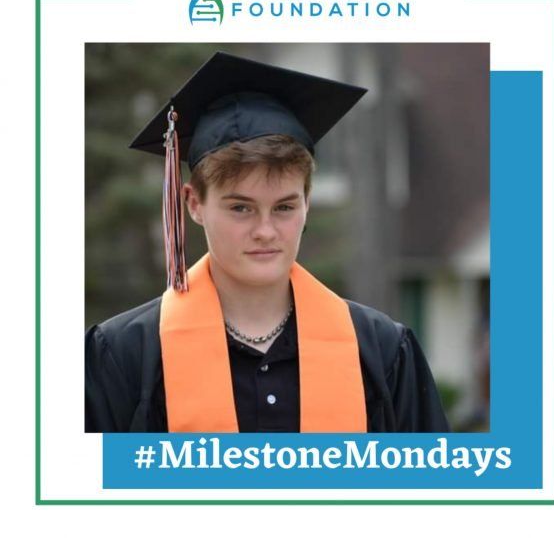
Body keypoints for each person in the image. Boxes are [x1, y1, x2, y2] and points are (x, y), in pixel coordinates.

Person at [85, 51, 449, 433]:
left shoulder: (382, 352)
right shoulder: (125, 356)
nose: (265, 230)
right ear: (194, 204)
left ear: (307, 202)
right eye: (241, 208)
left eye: (284, 207)